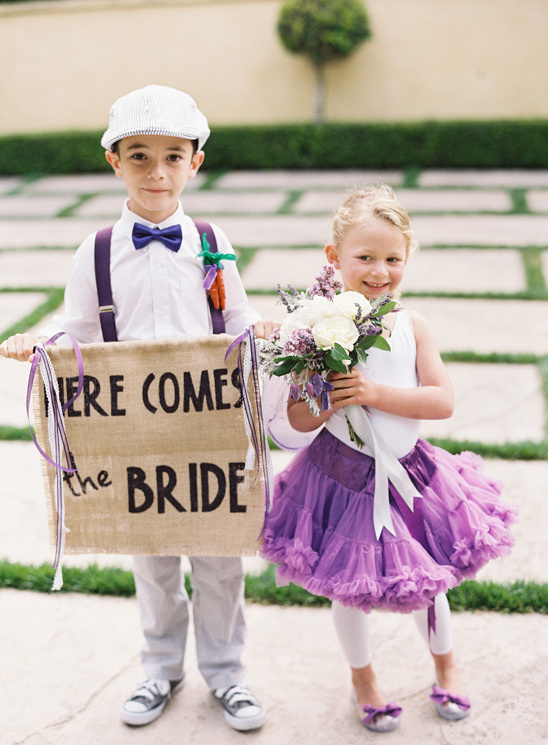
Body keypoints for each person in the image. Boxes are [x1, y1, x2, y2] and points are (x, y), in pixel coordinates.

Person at [0, 84, 275, 732]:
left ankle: (227, 671)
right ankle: (159, 666)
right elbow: (79, 334)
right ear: (114, 162)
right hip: (134, 438)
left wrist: (258, 326)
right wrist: (44, 342)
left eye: (173, 157)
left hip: (206, 431)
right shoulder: (95, 251)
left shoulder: (211, 239)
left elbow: (236, 311)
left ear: (194, 163)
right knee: (151, 558)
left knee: (218, 557)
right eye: (140, 156)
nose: (158, 172)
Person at [260, 185, 518, 733]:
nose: (380, 271)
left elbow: (442, 400)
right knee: (348, 588)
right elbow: (301, 424)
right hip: (338, 478)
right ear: (334, 258)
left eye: (393, 259)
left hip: (411, 476)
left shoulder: (412, 325)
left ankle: (446, 664)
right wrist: (323, 391)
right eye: (365, 258)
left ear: (407, 258)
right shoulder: (310, 331)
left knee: (428, 582)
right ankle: (364, 678)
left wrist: (374, 394)